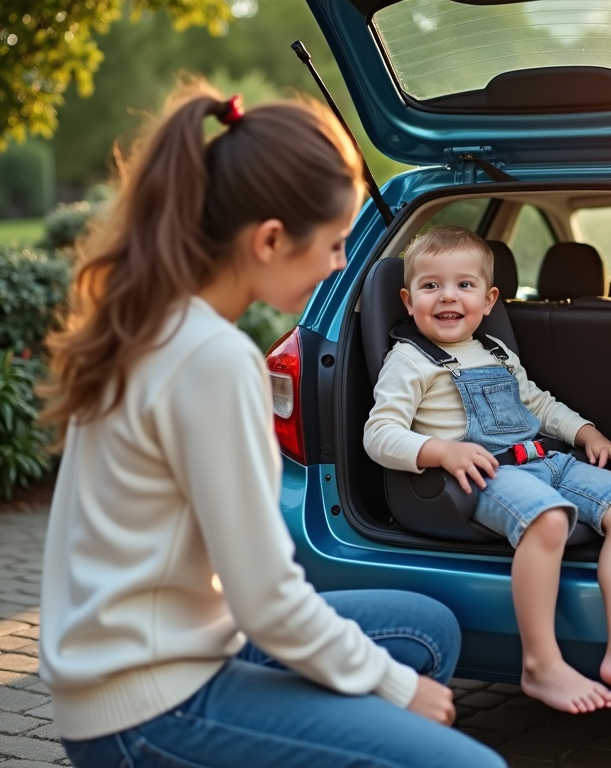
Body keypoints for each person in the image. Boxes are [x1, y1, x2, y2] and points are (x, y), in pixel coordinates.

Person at [37, 82, 506, 768]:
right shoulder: (213, 357)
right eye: (336, 244)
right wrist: (397, 690)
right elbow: (267, 600)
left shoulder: (152, 321)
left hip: (156, 652)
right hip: (147, 705)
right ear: (269, 240)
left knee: (424, 630)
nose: (343, 264)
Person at [364, 225, 611, 714]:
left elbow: (539, 405)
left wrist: (587, 433)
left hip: (544, 459)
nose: (448, 296)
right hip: (482, 477)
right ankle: (540, 663)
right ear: (408, 301)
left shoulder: (496, 352)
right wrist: (440, 452)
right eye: (431, 286)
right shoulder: (409, 361)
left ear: (490, 299)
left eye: (464, 285)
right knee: (550, 519)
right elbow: (379, 433)